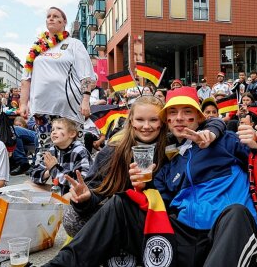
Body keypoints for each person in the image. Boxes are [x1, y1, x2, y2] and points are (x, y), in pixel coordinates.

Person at [44, 87, 257, 267]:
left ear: (199, 117)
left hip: (232, 236)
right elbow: (156, 206)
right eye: (173, 113)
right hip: (190, 242)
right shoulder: (168, 162)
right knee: (122, 203)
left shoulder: (225, 141)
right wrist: (139, 189)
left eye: (187, 112)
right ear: (166, 122)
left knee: (235, 212)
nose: (179, 118)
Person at [62, 95, 225, 237]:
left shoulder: (173, 145)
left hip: (157, 213)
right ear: (131, 121)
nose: (146, 126)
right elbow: (96, 191)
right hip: (119, 214)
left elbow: (212, 122)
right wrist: (85, 197)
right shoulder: (113, 150)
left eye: (153, 120)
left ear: (162, 122)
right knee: (72, 218)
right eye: (140, 120)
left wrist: (212, 131)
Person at [20, 7, 95, 166]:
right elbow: (26, 78)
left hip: (67, 108)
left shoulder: (74, 44)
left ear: (64, 21)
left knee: (73, 148)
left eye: (56, 16)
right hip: (42, 109)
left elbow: (86, 75)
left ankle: (74, 182)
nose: (51, 19)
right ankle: (45, 180)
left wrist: (86, 100)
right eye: (48, 16)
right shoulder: (37, 48)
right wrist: (22, 104)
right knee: (45, 150)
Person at [30, 118, 92, 198]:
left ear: (72, 134)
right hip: (61, 190)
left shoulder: (79, 151)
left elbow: (79, 184)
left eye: (59, 128)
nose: (53, 132)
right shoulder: (53, 150)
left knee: (71, 195)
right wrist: (49, 171)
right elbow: (33, 174)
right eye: (52, 130)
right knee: (29, 185)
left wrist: (54, 169)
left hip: (80, 194)